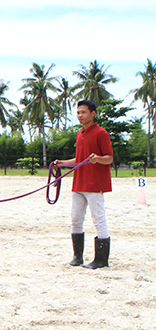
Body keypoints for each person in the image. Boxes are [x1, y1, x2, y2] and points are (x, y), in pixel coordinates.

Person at [54, 99, 114, 269]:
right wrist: (62, 163)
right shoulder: (80, 134)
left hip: (94, 184)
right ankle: (77, 256)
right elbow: (79, 160)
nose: (80, 115)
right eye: (78, 112)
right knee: (75, 218)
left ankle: (101, 260)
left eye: (83, 112)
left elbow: (109, 157)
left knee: (98, 219)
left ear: (93, 113)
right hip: (79, 183)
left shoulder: (101, 133)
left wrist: (98, 159)